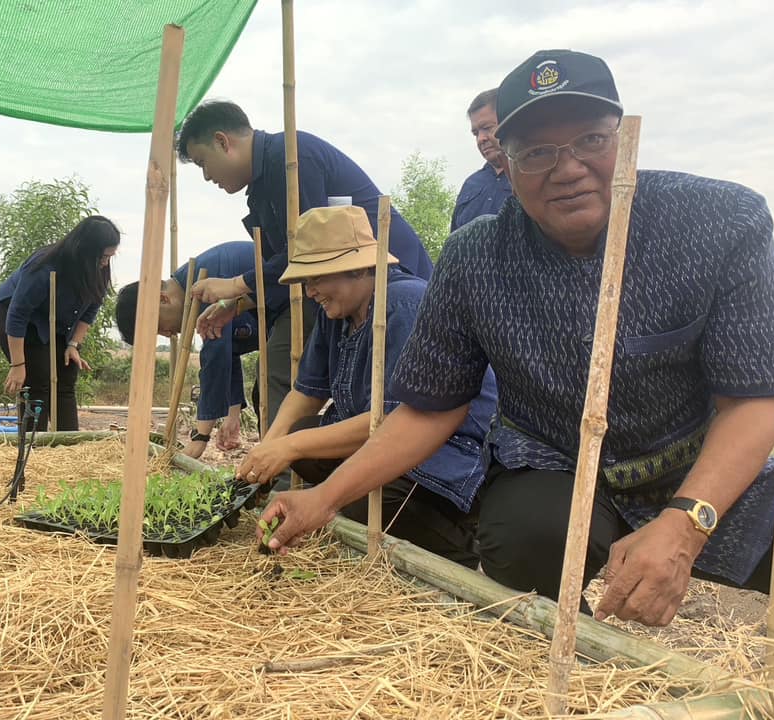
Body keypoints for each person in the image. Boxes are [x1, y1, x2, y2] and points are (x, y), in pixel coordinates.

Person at [258, 49, 774, 628]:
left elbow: (753, 400)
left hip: (696, 456)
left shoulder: (722, 222)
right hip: (554, 459)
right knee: (524, 538)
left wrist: (687, 520)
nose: (567, 168)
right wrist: (324, 498)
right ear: (503, 163)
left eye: (590, 140)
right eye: (536, 152)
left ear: (624, 138)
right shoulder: (476, 257)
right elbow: (430, 409)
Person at [237, 205, 497, 564]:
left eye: (317, 278)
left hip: (448, 449)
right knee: (306, 444)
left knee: (361, 498)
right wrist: (271, 446)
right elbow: (307, 392)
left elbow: (397, 422)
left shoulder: (405, 305)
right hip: (382, 438)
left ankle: (466, 552)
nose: (310, 291)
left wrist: (291, 447)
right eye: (306, 281)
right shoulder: (337, 312)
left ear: (359, 268)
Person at [175, 100, 433, 434]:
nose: (207, 176)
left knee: (294, 374)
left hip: (384, 280)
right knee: (281, 381)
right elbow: (292, 273)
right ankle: (282, 463)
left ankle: (285, 469)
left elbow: (310, 254)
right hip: (336, 289)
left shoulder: (292, 159)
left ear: (224, 142)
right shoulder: (261, 188)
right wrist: (237, 305)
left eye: (202, 163)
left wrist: (237, 285)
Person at [114, 241, 262, 459]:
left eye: (158, 327)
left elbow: (216, 355)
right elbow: (230, 350)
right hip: (284, 319)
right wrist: (232, 415)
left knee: (273, 389)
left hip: (303, 302)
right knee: (265, 395)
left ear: (163, 299)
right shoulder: (192, 283)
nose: (168, 334)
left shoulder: (203, 281)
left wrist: (200, 437)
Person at [0, 215, 120, 431]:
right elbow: (17, 314)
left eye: (110, 256)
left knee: (67, 374)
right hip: (23, 320)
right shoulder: (44, 268)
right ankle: (35, 450)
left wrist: (73, 345)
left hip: (58, 321)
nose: (106, 262)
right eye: (103, 256)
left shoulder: (97, 269)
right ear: (86, 251)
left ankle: (68, 446)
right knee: (37, 380)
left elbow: (91, 307)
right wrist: (18, 365)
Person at [449, 88, 512, 232]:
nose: (481, 139)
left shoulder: (531, 179)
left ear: (508, 122)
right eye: (476, 133)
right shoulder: (471, 184)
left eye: (487, 128)